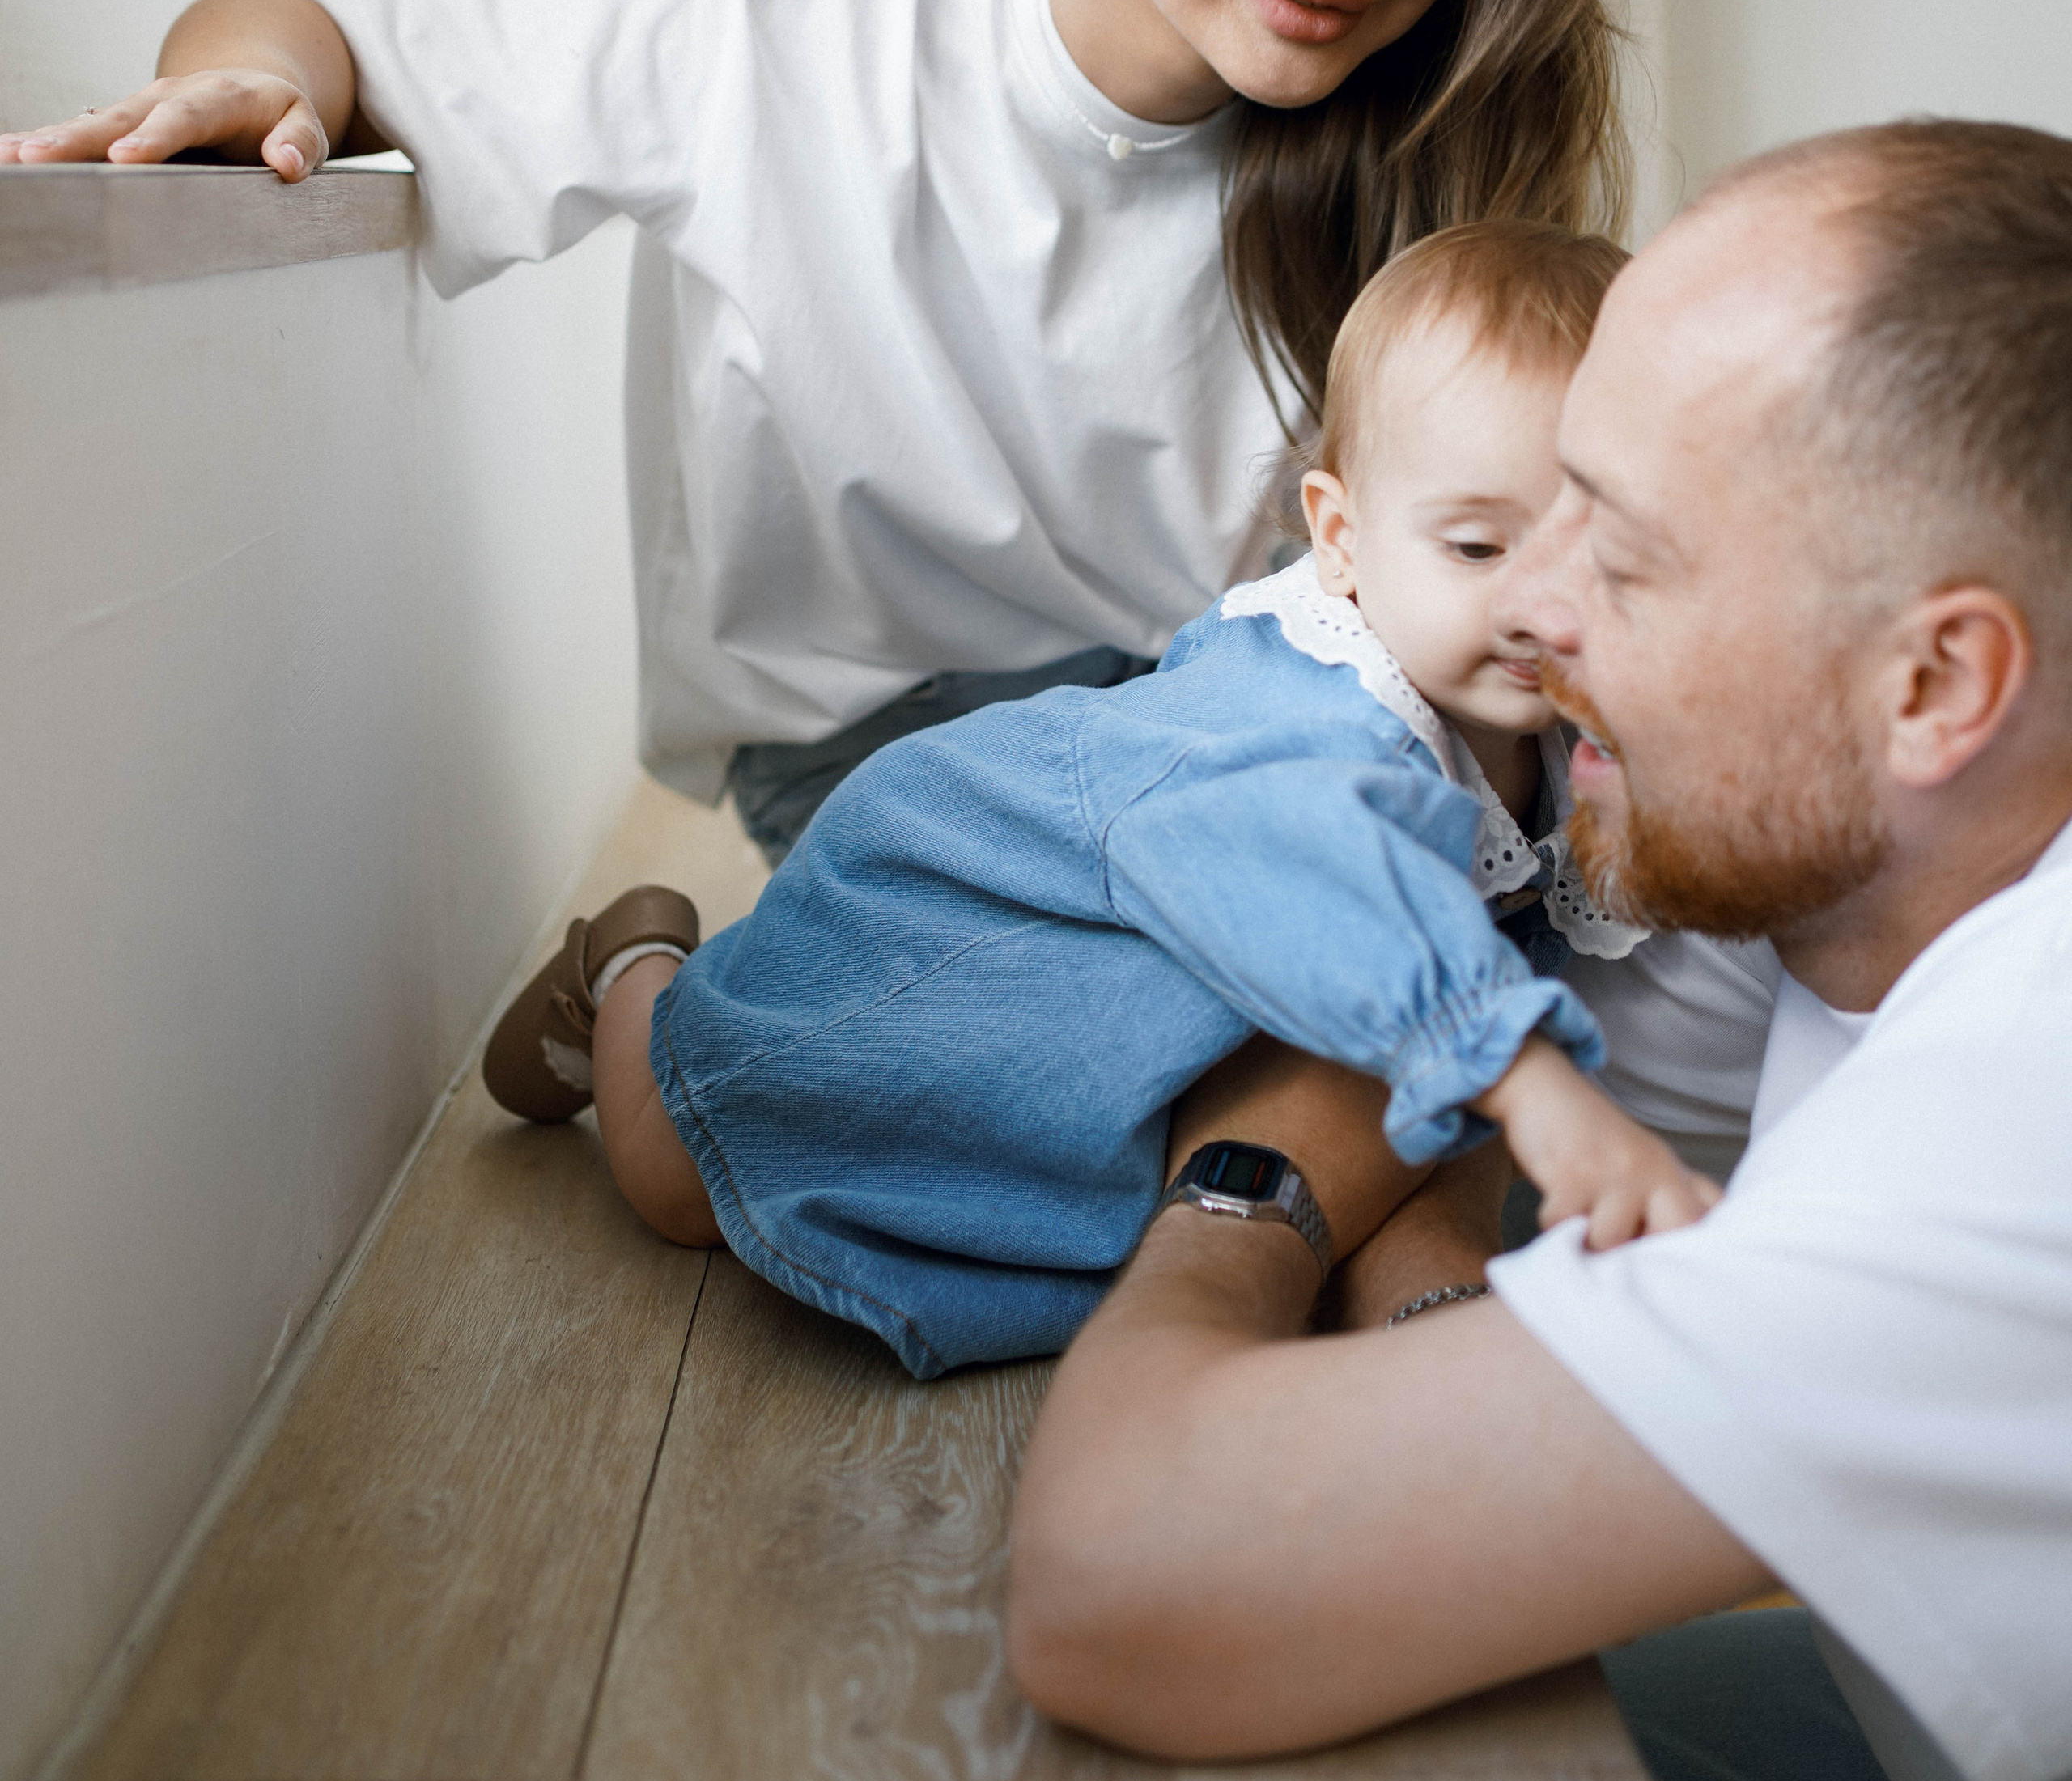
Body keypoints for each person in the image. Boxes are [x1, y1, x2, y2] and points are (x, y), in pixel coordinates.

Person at [0, 0, 1641, 867]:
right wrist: (262, 91)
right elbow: (315, 29)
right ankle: (651, 1007)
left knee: (1427, 973)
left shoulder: (1439, 120)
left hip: (1242, 719)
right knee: (1236, 1035)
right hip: (864, 733)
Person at [1005, 118, 2072, 1781]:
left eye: (1632, 554)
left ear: (1936, 678)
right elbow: (1470, 1124)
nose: (1535, 611)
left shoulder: (2010, 1127)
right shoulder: (1844, 871)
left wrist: (1244, 1181)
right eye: (1539, 505)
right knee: (1418, 1756)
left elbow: (1117, 1582)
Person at [477, 219, 1717, 1373]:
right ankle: (632, 968)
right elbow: (1335, 875)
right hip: (931, 951)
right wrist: (1535, 1086)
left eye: (1595, 556)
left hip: (1114, 1033)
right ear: (1339, 537)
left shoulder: (1527, 726)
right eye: (1476, 548)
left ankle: (1414, 1336)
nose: (1536, 607)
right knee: (675, 1173)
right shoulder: (1301, 719)